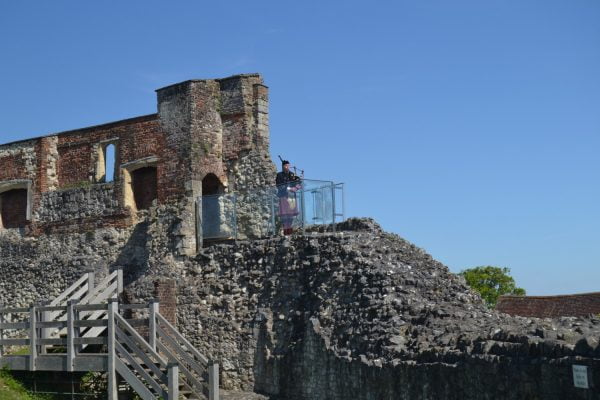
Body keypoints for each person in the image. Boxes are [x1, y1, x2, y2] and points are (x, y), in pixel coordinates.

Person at [276, 160, 302, 235]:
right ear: (283, 166)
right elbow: (279, 185)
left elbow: (299, 182)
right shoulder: (279, 175)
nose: (288, 167)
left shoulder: (292, 174)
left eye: (288, 165)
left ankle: (289, 232)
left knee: (290, 215)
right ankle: (285, 232)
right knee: (285, 215)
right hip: (283, 196)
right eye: (286, 166)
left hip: (291, 197)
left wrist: (296, 188)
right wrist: (289, 189)